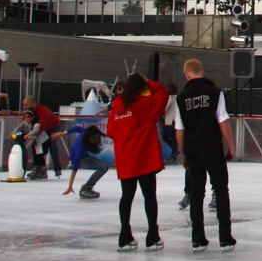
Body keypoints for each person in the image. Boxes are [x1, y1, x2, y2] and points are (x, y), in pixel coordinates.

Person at [176, 58, 236, 252]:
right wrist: (231, 146)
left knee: (197, 193)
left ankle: (197, 238)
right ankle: (225, 237)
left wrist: (183, 153)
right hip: (212, 147)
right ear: (202, 72)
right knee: (220, 190)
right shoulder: (215, 93)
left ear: (187, 75)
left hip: (193, 149)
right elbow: (223, 121)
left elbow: (179, 130)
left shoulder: (181, 98)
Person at [107, 73, 170, 251]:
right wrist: (149, 81)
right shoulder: (145, 105)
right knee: (149, 196)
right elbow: (163, 94)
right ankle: (152, 236)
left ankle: (124, 235)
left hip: (125, 159)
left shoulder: (116, 108)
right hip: (144, 159)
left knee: (126, 197)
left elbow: (111, 131)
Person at [62, 124, 111, 199]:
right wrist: (70, 186)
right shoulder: (80, 148)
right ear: (90, 137)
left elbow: (76, 128)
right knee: (102, 167)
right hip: (79, 159)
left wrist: (63, 133)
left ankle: (87, 187)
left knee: (106, 166)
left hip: (85, 156)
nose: (96, 141)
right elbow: (74, 168)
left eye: (98, 138)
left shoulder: (86, 132)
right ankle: (86, 189)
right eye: (94, 139)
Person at [23, 96, 63, 178]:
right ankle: (37, 168)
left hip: (52, 127)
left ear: (33, 103)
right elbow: (24, 121)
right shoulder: (30, 111)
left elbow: (41, 127)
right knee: (37, 147)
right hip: (41, 129)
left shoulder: (43, 111)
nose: (25, 107)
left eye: (26, 105)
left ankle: (57, 169)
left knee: (52, 146)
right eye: (24, 105)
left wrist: (33, 136)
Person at [161, 83, 180, 162]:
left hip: (169, 120)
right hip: (176, 120)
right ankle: (174, 153)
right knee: (173, 137)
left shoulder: (170, 98)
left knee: (165, 136)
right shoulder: (178, 98)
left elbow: (164, 108)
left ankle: (175, 150)